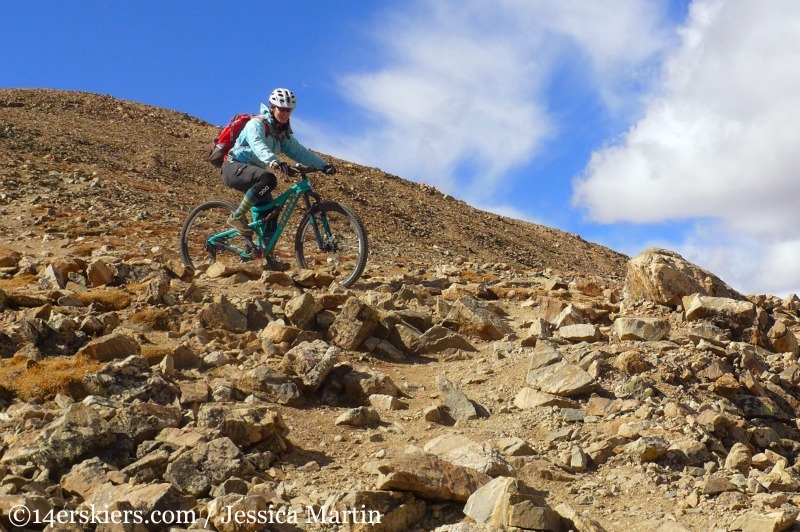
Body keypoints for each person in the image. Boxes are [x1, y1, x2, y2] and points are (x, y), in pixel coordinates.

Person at [221, 88, 336, 270]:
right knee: (269, 179)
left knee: (272, 214)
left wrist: (324, 165)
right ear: (273, 107)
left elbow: (300, 152)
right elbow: (257, 145)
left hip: (254, 174)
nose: (285, 113)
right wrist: (275, 161)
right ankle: (237, 216)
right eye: (281, 109)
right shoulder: (256, 124)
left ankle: (263, 258)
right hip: (233, 167)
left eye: (288, 110)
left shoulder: (281, 135)